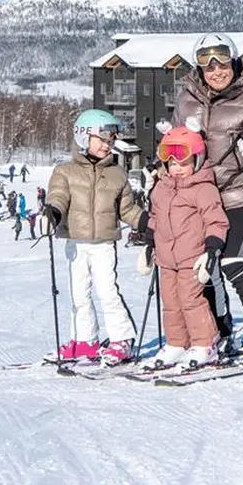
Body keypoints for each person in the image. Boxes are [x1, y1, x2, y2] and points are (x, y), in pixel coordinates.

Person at [168, 32, 243, 360]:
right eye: (208, 65)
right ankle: (218, 333)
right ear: (200, 69)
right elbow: (178, 143)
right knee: (203, 267)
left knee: (233, 260)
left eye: (222, 63)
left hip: (236, 194)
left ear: (234, 62)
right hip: (198, 196)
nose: (217, 71)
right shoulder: (186, 100)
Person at [41, 109, 149, 365]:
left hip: (103, 243)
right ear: (82, 137)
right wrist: (53, 213)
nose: (106, 144)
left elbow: (126, 210)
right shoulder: (64, 171)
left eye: (110, 139)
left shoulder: (117, 173)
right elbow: (58, 197)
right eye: (101, 138)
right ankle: (85, 341)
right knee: (79, 294)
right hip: (75, 242)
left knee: (107, 291)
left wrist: (146, 221)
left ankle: (122, 339)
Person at [139, 126, 229, 371]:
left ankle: (204, 343)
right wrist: (149, 243)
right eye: (171, 163)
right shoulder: (162, 188)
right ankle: (177, 342)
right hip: (166, 259)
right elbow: (155, 217)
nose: (176, 168)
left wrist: (211, 250)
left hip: (192, 258)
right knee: (170, 302)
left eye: (183, 162)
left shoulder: (203, 189)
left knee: (191, 301)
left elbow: (216, 221)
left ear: (197, 160)